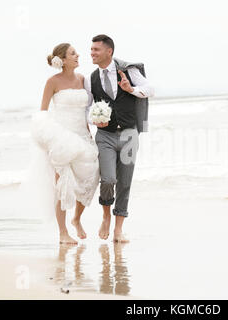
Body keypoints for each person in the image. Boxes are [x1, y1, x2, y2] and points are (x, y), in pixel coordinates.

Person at [84, 34, 154, 243]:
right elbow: (87, 107)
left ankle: (118, 229)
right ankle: (106, 216)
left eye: (96, 49)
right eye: (91, 49)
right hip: (105, 135)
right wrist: (95, 119)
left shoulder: (129, 70)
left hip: (129, 134)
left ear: (109, 51)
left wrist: (130, 89)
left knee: (125, 182)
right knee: (108, 179)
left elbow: (150, 89)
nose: (92, 53)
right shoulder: (91, 78)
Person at [32, 43, 100, 245]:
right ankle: (63, 233)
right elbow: (42, 112)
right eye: (73, 53)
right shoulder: (52, 82)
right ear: (62, 59)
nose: (78, 55)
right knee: (62, 183)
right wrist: (49, 137)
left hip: (83, 134)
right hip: (61, 137)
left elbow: (88, 110)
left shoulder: (82, 79)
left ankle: (76, 219)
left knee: (91, 175)